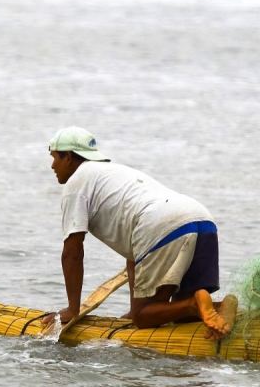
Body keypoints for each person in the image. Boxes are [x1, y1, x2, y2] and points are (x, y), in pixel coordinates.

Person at [48, 127, 231, 338]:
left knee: (143, 317)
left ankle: (193, 304)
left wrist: (73, 309)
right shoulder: (115, 173)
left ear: (69, 157)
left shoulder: (76, 183)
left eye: (55, 158)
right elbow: (134, 255)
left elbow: (72, 252)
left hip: (164, 224)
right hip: (202, 219)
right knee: (182, 319)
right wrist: (132, 311)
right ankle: (218, 307)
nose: (53, 166)